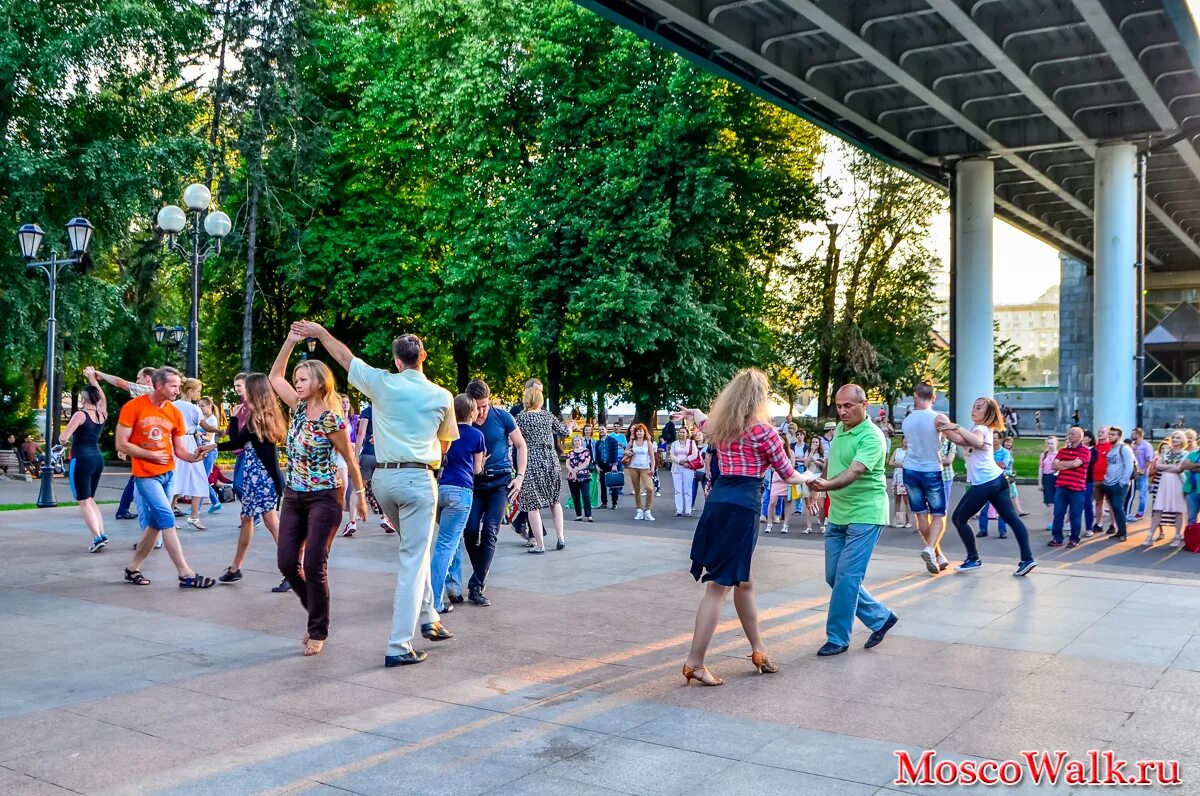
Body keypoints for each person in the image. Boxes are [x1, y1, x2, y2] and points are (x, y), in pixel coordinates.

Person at [293, 321, 454, 666]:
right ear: (423, 356)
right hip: (419, 478)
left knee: (414, 548)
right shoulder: (442, 396)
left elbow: (346, 358)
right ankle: (399, 644)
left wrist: (320, 334)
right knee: (414, 556)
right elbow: (444, 444)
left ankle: (429, 617)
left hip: (384, 479)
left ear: (397, 360)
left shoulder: (381, 383)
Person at [676, 369, 809, 685]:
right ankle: (694, 662)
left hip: (718, 502)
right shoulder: (764, 432)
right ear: (760, 399)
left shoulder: (721, 427)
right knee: (718, 587)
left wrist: (694, 414)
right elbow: (788, 474)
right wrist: (814, 479)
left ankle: (758, 649)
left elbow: (702, 421)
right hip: (743, 507)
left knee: (744, 581)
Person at [268, 332, 368, 657]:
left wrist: (361, 494)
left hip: (325, 497)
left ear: (319, 381)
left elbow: (350, 459)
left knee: (313, 564)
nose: (296, 384)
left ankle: (318, 629)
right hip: (294, 496)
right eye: (296, 379)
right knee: (286, 563)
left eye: (303, 379)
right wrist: (290, 340)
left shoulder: (331, 418)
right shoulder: (297, 407)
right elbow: (274, 376)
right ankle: (316, 606)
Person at [810, 385, 899, 656]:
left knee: (847, 578)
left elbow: (854, 471)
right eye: (838, 406)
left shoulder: (872, 437)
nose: (842, 411)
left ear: (865, 404)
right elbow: (832, 463)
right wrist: (816, 486)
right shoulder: (840, 429)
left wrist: (825, 487)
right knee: (833, 577)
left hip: (866, 514)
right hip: (839, 514)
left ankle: (837, 638)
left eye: (848, 406)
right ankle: (880, 618)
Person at [118, 366, 218, 590]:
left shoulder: (174, 413)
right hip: (146, 476)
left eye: (178, 385)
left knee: (155, 524)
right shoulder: (133, 407)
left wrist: (195, 456)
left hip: (168, 475)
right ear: (158, 385)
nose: (177, 389)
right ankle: (186, 574)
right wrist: (149, 454)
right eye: (173, 385)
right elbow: (121, 443)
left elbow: (181, 450)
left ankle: (133, 568)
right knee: (166, 519)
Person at [937, 397, 1036, 575]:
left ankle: (973, 559)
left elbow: (976, 442)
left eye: (979, 408)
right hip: (997, 480)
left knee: (959, 518)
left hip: (986, 483)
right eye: (974, 407)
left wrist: (956, 426)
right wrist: (944, 426)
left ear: (988, 413)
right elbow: (961, 441)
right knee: (1012, 519)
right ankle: (1027, 559)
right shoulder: (983, 429)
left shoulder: (980, 429)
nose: (974, 410)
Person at [215, 373, 285, 586]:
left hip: (261, 477)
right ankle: (235, 568)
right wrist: (213, 445)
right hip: (257, 476)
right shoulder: (264, 414)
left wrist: (234, 417)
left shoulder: (257, 418)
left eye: (247, 387)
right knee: (247, 520)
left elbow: (237, 441)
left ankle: (294, 570)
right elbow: (240, 443)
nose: (244, 391)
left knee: (271, 522)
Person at [463, 380, 527, 606]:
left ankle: (476, 585)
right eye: (477, 407)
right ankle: (479, 573)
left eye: (485, 406)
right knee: (470, 531)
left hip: (500, 483)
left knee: (490, 529)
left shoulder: (502, 417)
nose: (481, 411)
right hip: (473, 484)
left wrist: (519, 477)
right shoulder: (462, 419)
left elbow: (521, 445)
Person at [431, 394, 485, 614]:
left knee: (451, 540)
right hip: (461, 492)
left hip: (439, 489)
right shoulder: (476, 435)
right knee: (445, 546)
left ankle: (453, 588)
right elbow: (477, 469)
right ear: (471, 412)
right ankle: (434, 601)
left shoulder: (444, 433)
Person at [93, 366, 155, 520]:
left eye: (139, 377)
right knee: (140, 477)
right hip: (148, 444)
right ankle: (133, 509)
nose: (137, 380)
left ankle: (125, 508)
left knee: (139, 477)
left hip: (148, 443)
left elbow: (120, 383)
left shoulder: (149, 391)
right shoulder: (151, 394)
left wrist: (100, 374)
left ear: (148, 378)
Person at [515, 383, 569, 552]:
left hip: (531, 461)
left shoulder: (521, 418)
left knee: (533, 505)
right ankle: (560, 537)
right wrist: (570, 426)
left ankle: (540, 544)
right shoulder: (548, 416)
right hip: (551, 460)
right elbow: (564, 432)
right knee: (554, 501)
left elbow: (512, 437)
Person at [900, 384, 948, 574]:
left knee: (921, 514)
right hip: (931, 469)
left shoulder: (908, 421)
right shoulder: (938, 418)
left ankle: (937, 554)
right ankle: (930, 549)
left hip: (910, 469)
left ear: (915, 396)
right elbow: (946, 439)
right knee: (938, 514)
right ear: (933, 397)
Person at [64, 368, 108, 552]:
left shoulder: (80, 414)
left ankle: (96, 537)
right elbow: (103, 398)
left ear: (83, 399)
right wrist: (93, 379)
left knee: (83, 500)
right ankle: (102, 534)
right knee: (91, 499)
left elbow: (63, 437)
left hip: (81, 459)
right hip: (97, 459)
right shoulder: (102, 414)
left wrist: (64, 442)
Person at [347, 402, 397, 536]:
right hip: (383, 455)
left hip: (368, 454)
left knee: (358, 488)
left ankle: (352, 521)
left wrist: (355, 456)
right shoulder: (389, 411)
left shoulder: (368, 411)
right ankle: (385, 518)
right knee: (383, 488)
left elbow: (361, 433)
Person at [171, 378, 212, 530]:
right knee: (197, 478)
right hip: (188, 442)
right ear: (190, 392)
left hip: (176, 442)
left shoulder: (172, 405)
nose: (199, 394)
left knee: (177, 479)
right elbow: (205, 426)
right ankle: (193, 516)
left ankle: (187, 516)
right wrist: (220, 431)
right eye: (198, 391)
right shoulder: (194, 408)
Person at [1048, 427, 1090, 548]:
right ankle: (1057, 538)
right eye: (1069, 434)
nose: (1069, 436)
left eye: (1073, 434)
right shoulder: (1062, 451)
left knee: (1075, 514)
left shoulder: (1085, 451)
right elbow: (1053, 465)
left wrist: (1062, 464)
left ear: (1079, 437)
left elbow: (1077, 463)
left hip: (1077, 488)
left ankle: (1074, 538)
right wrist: (1069, 464)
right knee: (1058, 513)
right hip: (1061, 486)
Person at [1145, 430, 1186, 548]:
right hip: (1163, 483)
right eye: (1174, 437)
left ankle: (1177, 535)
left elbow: (1180, 469)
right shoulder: (1166, 452)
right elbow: (1158, 466)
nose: (1175, 440)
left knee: (1178, 510)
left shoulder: (1185, 454)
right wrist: (1172, 466)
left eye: (1178, 438)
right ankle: (1150, 535)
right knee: (1158, 509)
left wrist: (1166, 467)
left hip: (1177, 483)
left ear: (1182, 440)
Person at [977, 430, 1014, 539]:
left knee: (1002, 508)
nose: (992, 440)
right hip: (987, 481)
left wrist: (989, 462)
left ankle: (1002, 531)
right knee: (984, 507)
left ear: (1000, 440)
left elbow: (1003, 465)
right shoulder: (986, 451)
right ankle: (983, 530)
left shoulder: (1005, 453)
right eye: (991, 438)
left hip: (1000, 482)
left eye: (995, 438)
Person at [1101, 426, 1134, 543]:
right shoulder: (1111, 449)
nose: (1110, 436)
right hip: (1108, 483)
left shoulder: (1124, 448)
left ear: (1119, 436)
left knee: (1118, 508)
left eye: (1113, 434)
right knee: (1114, 508)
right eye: (1110, 434)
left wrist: (1123, 482)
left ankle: (1123, 533)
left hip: (1119, 484)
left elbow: (1129, 467)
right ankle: (1119, 531)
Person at [624, 423, 657, 521]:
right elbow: (624, 451)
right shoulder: (632, 442)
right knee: (637, 489)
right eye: (637, 431)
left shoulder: (648, 442)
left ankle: (648, 510)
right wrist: (628, 452)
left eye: (641, 431)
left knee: (649, 488)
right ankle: (639, 510)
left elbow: (652, 457)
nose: (639, 433)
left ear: (644, 432)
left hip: (645, 468)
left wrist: (652, 469)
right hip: (633, 467)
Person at [196, 397, 225, 514]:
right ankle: (215, 502)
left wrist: (199, 434)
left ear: (209, 406)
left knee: (202, 479)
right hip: (202, 451)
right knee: (201, 479)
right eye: (199, 405)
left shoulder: (212, 419)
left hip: (210, 451)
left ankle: (196, 508)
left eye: (202, 406)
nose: (200, 408)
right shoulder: (202, 418)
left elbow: (209, 438)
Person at [1088, 426, 1113, 536]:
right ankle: (1099, 524)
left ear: (1108, 434)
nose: (1100, 433)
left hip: (1107, 479)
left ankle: (1113, 525)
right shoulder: (1095, 447)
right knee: (1098, 503)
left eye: (1103, 432)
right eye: (1099, 432)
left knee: (1111, 503)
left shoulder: (1111, 447)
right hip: (1095, 479)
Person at [566, 433, 594, 522]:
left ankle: (589, 515)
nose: (577, 442)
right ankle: (578, 515)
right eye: (575, 441)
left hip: (584, 476)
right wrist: (572, 471)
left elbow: (586, 463)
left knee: (585, 495)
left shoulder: (586, 451)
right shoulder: (570, 453)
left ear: (581, 442)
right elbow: (567, 464)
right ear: (573, 442)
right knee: (575, 496)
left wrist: (576, 470)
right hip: (572, 477)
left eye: (578, 440)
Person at [1127, 428, 1153, 520]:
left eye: (1133, 434)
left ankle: (1140, 512)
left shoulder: (1146, 446)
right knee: (1131, 493)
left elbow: (1149, 460)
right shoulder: (1132, 445)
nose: (1131, 436)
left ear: (1139, 435)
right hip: (1132, 473)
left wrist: (1143, 469)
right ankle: (1127, 511)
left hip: (1142, 474)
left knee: (1142, 494)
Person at [889, 437, 911, 529]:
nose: (906, 441)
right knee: (897, 499)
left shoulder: (911, 452)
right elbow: (890, 462)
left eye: (908, 439)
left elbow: (909, 464)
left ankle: (908, 521)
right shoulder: (897, 450)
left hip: (905, 477)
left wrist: (901, 464)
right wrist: (901, 464)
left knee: (906, 500)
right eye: (904, 439)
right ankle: (898, 521)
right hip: (897, 476)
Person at [1039, 436, 1059, 531]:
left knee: (1052, 502)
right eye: (1049, 443)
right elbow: (1041, 468)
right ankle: (1053, 519)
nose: (1050, 445)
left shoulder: (1059, 454)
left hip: (1056, 477)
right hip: (1046, 478)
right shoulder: (1044, 454)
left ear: (1056, 444)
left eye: (1052, 443)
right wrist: (1040, 482)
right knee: (1048, 501)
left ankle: (1053, 522)